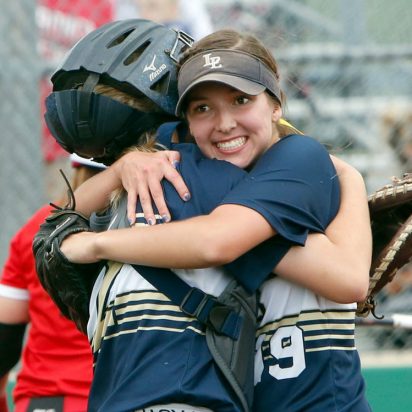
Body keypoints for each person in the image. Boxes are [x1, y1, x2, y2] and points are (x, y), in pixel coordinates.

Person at [58, 28, 372, 411]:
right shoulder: (190, 167)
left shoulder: (299, 161)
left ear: (276, 104)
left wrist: (95, 244)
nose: (224, 123)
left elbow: (219, 243)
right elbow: (58, 217)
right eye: (202, 107)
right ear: (186, 122)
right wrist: (122, 167)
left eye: (241, 100)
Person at [0, 154, 105, 412]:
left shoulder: (38, 229)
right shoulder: (150, 230)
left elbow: (4, 341)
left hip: (49, 397)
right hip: (126, 394)